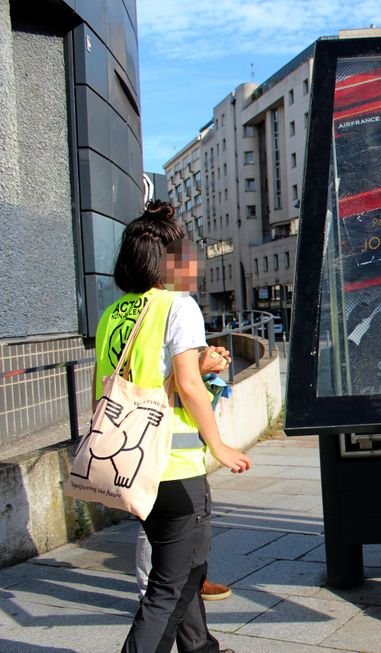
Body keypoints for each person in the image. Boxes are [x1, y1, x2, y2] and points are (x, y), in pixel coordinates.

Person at [93, 200, 251, 653]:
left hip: (129, 461)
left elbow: (107, 388)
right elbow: (187, 384)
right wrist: (218, 443)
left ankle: (201, 648)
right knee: (170, 582)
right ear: (168, 262)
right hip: (175, 466)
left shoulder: (114, 314)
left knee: (187, 566)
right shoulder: (177, 306)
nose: (195, 263)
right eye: (187, 254)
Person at [134, 345, 235, 603]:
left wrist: (206, 363)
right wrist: (219, 446)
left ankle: (191, 584)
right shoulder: (164, 311)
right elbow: (167, 381)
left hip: (183, 451)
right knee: (157, 525)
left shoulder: (172, 310)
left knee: (191, 526)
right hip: (159, 448)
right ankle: (152, 594)